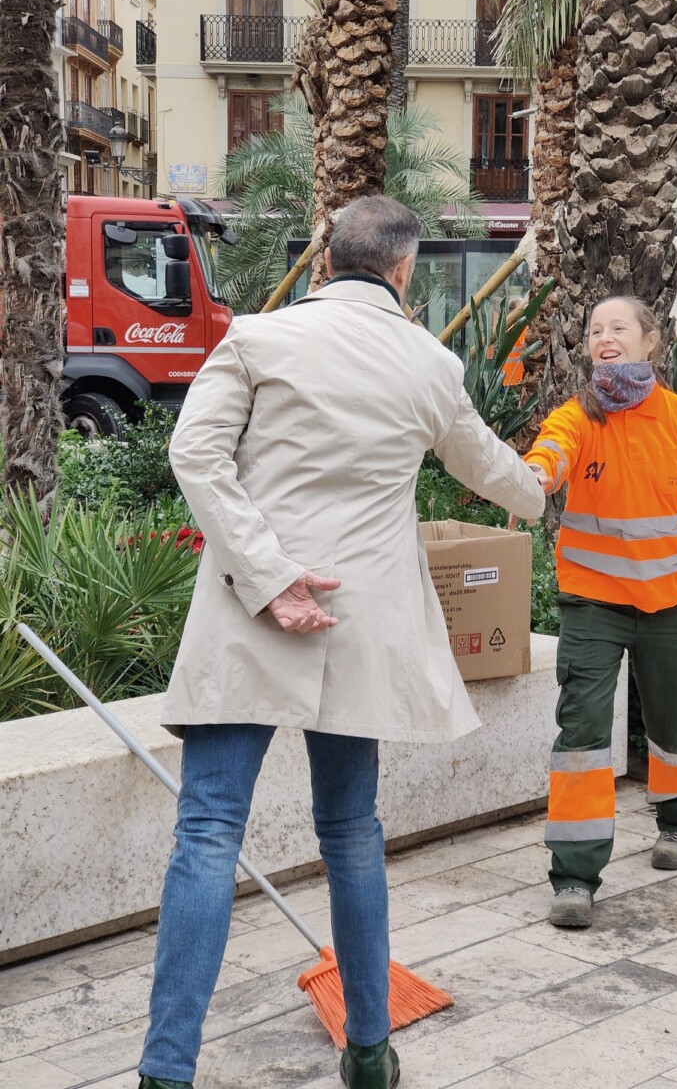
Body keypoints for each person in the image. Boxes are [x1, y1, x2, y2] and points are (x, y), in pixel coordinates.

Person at [136, 196, 545, 1089]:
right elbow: (492, 472)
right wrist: (543, 487)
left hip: (251, 616)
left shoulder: (257, 338)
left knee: (206, 833)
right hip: (356, 626)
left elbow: (195, 455)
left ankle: (166, 1073)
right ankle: (367, 1053)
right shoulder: (430, 362)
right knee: (352, 835)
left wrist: (271, 574)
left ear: (323, 258)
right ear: (404, 269)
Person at [521, 296, 677, 929]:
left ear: (651, 341)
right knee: (581, 731)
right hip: (593, 604)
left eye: (618, 327)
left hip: (671, 603)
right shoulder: (577, 418)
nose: (604, 337)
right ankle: (574, 876)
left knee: (671, 719)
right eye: (595, 330)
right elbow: (550, 455)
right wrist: (534, 475)